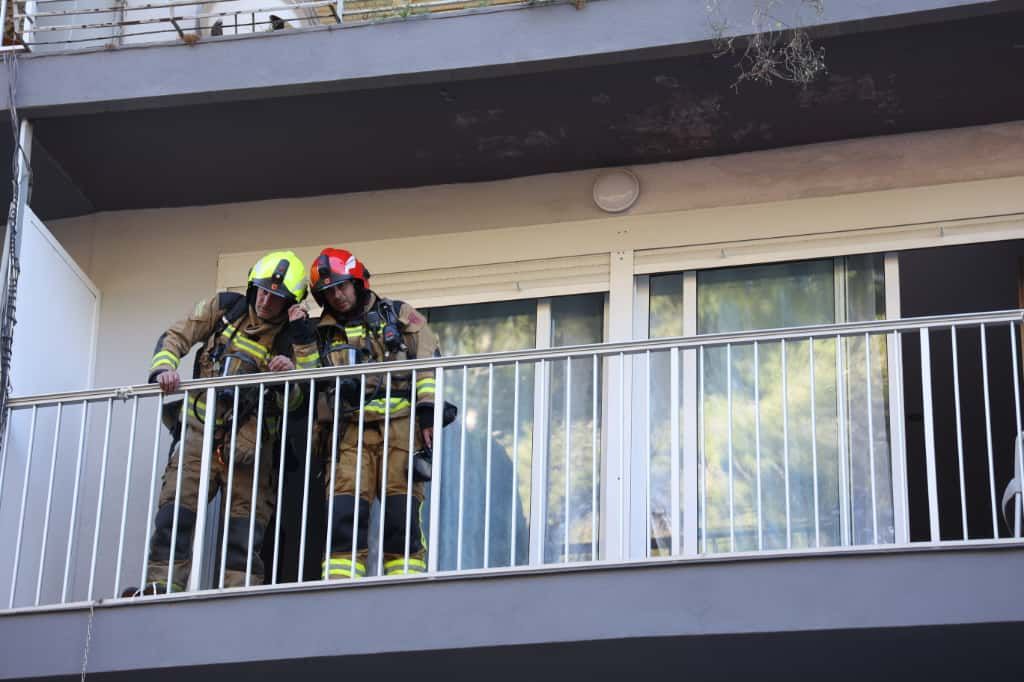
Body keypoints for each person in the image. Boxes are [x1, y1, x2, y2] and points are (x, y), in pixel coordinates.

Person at [134, 250, 316, 594]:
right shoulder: (224, 309)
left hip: (250, 447)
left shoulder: (295, 337)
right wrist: (164, 368)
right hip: (198, 433)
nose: (265, 300)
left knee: (244, 530)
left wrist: (289, 375)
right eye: (262, 290)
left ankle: (238, 592)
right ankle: (161, 586)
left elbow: (302, 401)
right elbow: (176, 335)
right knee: (175, 517)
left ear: (290, 302)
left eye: (276, 297)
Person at [300, 248, 445, 579]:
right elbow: (309, 381)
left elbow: (428, 362)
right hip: (348, 432)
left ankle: (405, 580)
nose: (337, 296)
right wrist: (299, 338)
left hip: (400, 430)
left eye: (341, 287)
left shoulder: (397, 314)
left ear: (357, 281)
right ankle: (339, 582)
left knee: (401, 513)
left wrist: (427, 416)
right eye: (328, 292)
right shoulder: (320, 333)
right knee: (343, 511)